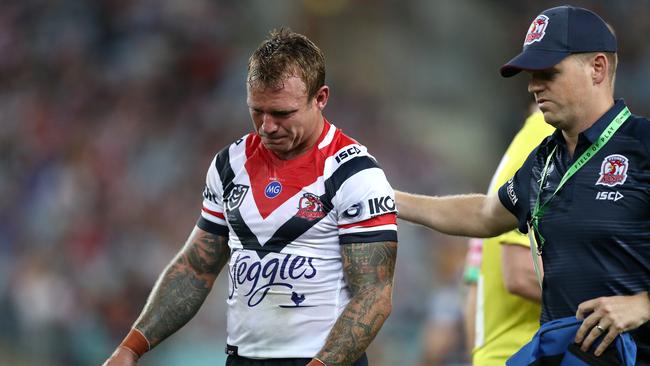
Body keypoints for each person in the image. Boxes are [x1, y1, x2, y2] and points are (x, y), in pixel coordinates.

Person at [103, 28, 398, 366]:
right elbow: (196, 267)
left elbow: (374, 295)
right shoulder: (230, 165)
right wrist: (131, 347)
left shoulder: (355, 174)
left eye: (283, 113)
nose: (267, 127)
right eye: (257, 110)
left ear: (321, 98)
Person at [396, 5, 650, 364]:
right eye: (531, 75)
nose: (533, 86)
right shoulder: (546, 156)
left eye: (548, 73)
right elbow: (484, 215)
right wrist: (389, 200)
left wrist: (643, 304)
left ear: (597, 68)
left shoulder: (644, 145)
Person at [462, 107, 553, 365]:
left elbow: (473, 287)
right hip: (524, 352)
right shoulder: (547, 137)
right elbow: (521, 274)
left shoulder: (522, 152)